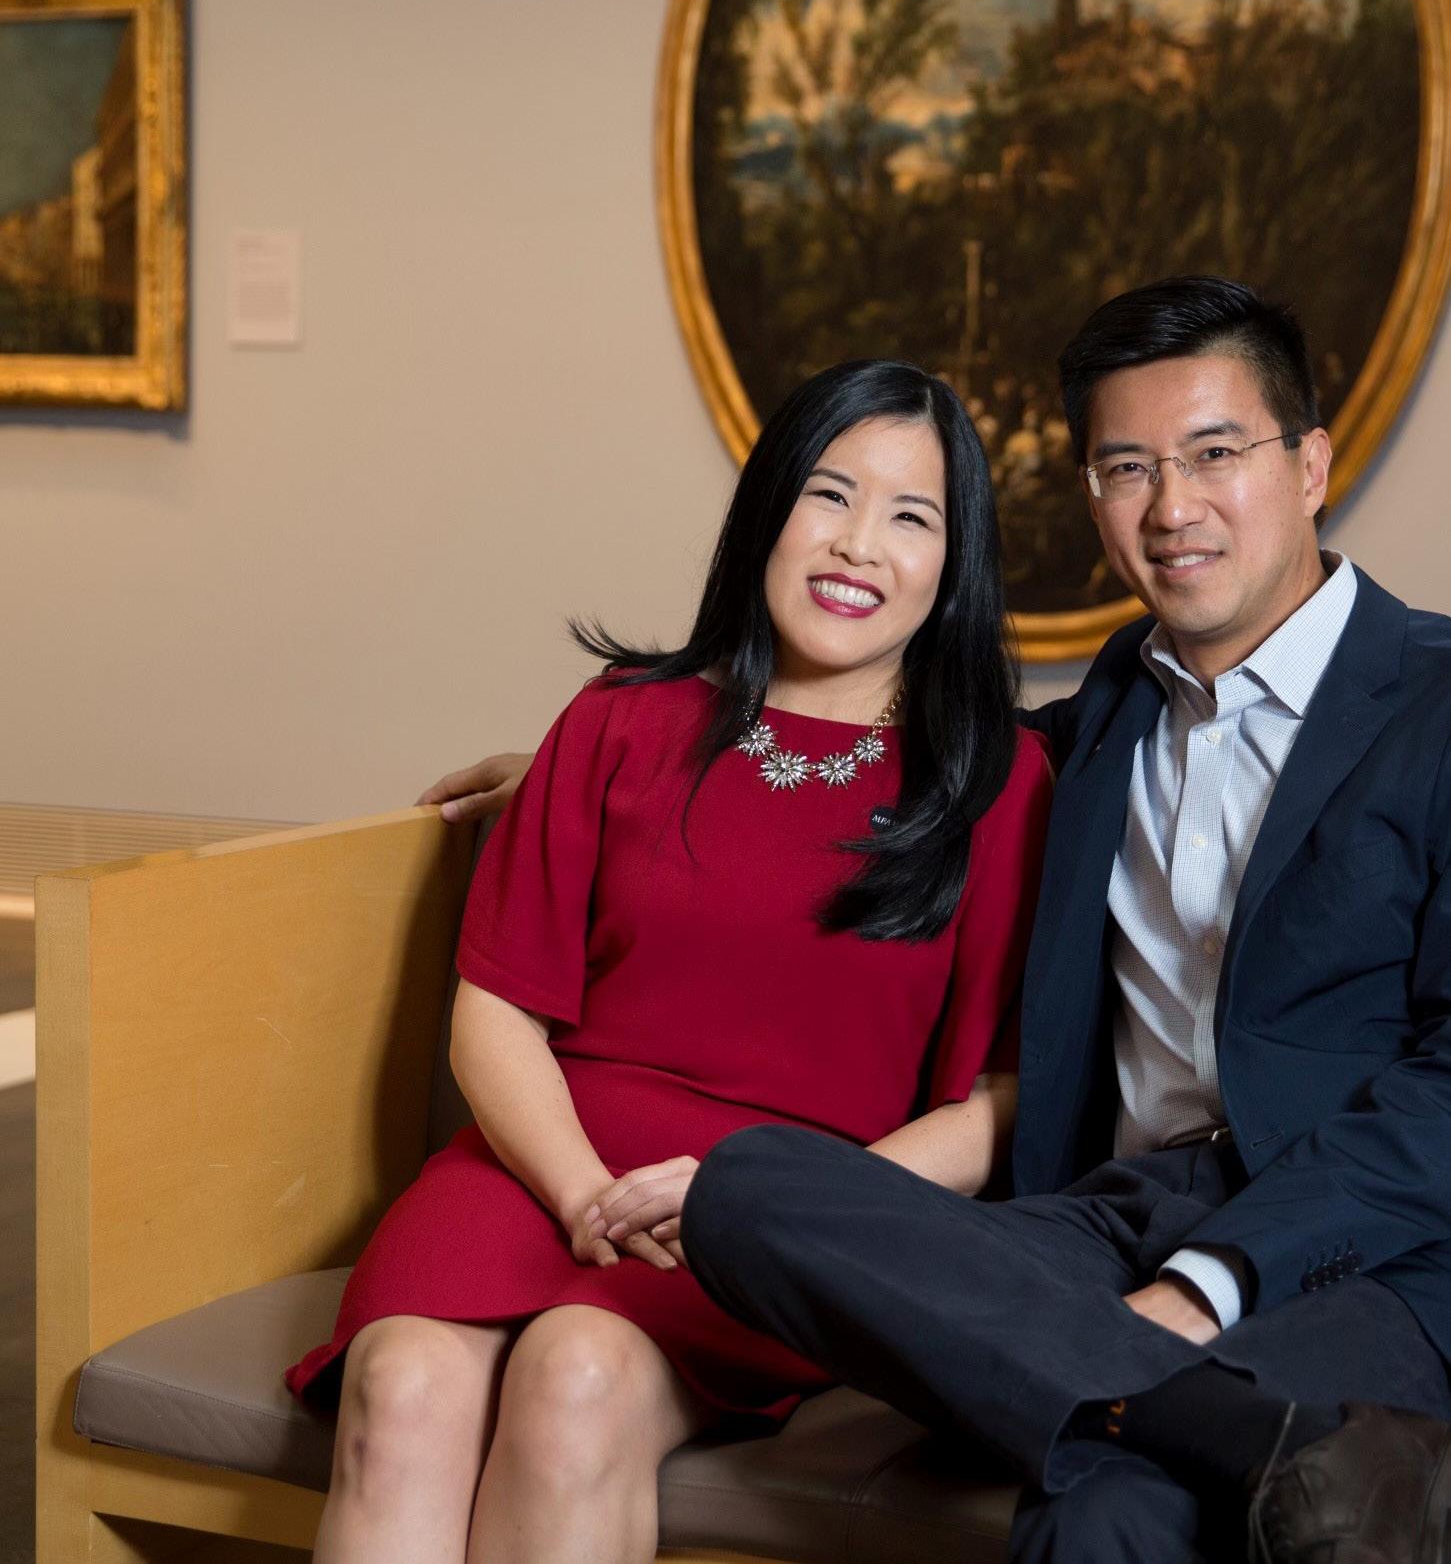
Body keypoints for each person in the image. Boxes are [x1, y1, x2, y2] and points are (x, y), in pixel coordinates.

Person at [434, 279, 1451, 1563]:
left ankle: (1190, 1412)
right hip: (1109, 1212)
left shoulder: (1432, 704)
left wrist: (1205, 1289)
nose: (1169, 506)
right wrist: (592, 772)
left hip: (1359, 1247)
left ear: (1307, 465)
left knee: (1105, 1503)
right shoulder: (1108, 715)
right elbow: (878, 763)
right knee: (750, 1189)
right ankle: (1209, 1416)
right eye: (1125, 467)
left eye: (1211, 454)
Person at [292, 358, 1053, 1564]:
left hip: (779, 1223)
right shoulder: (619, 719)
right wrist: (581, 1193)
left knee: (578, 1374)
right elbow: (495, 1010)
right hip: (537, 1168)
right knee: (403, 1390)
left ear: (952, 564)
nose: (856, 544)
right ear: (767, 508)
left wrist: (768, 1211)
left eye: (911, 517)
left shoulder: (996, 785)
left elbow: (991, 1102)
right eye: (827, 494)